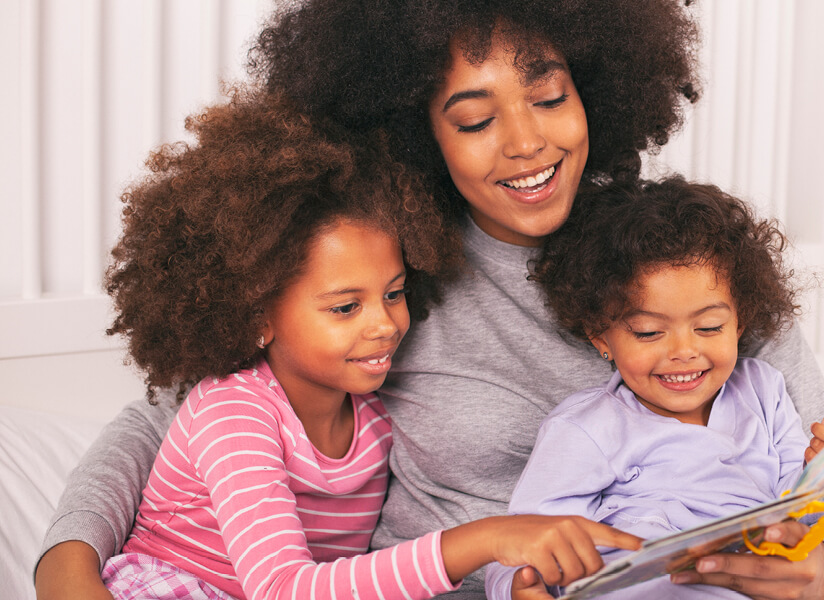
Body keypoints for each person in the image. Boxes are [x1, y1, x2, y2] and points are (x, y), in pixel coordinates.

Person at [35, 3, 824, 599]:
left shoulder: (685, 260)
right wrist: (66, 562)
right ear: (418, 129)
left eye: (549, 96)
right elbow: (172, 418)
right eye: (475, 120)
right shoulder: (385, 266)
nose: (527, 141)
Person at [88, 89, 640, 600]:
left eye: (395, 294)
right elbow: (284, 588)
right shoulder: (234, 413)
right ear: (258, 313)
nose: (385, 325)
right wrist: (486, 539)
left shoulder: (374, 423)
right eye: (345, 307)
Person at [486, 178, 824, 599]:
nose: (684, 352)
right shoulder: (586, 428)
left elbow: (797, 510)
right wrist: (518, 588)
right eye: (650, 332)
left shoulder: (765, 390)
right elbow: (523, 540)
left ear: (740, 322)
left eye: (709, 327)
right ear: (602, 337)